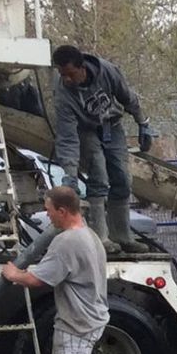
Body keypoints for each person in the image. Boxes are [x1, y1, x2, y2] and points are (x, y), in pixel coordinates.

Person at [0, 185, 124, 354]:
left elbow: (38, 280)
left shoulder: (67, 241)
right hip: (80, 318)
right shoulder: (89, 235)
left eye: (49, 210)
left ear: (62, 211)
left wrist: (14, 274)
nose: (47, 215)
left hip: (78, 323)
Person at [50, 44, 153, 252]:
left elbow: (127, 97)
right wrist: (70, 175)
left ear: (82, 68)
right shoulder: (63, 94)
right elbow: (67, 138)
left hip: (111, 125)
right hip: (85, 130)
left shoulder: (107, 71)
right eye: (62, 74)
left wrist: (143, 123)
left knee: (122, 179)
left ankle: (122, 236)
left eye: (70, 74)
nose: (66, 79)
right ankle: (101, 239)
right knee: (99, 177)